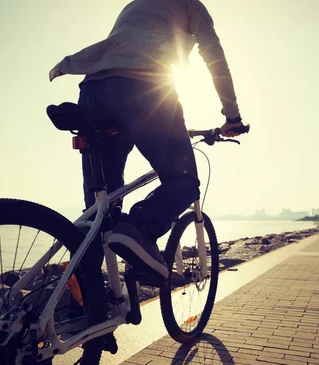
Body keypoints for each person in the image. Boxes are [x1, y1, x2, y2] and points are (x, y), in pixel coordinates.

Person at [50, 0, 244, 283]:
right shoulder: (190, 5)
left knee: (100, 211)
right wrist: (232, 116)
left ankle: (87, 305)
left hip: (92, 90)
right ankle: (139, 229)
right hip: (144, 86)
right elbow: (214, 57)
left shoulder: (135, 5)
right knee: (184, 181)